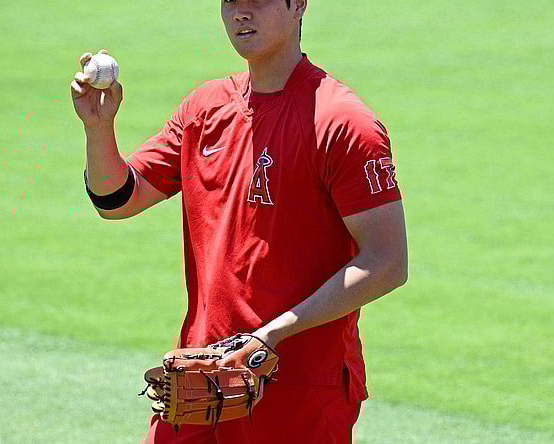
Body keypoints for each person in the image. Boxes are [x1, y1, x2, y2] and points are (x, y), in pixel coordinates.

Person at [70, 1, 407, 442]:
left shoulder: (342, 123)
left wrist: (272, 334)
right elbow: (118, 200)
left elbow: (387, 262)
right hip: (200, 378)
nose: (241, 13)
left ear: (298, 4)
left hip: (300, 389)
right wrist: (98, 129)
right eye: (230, 0)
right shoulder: (205, 109)